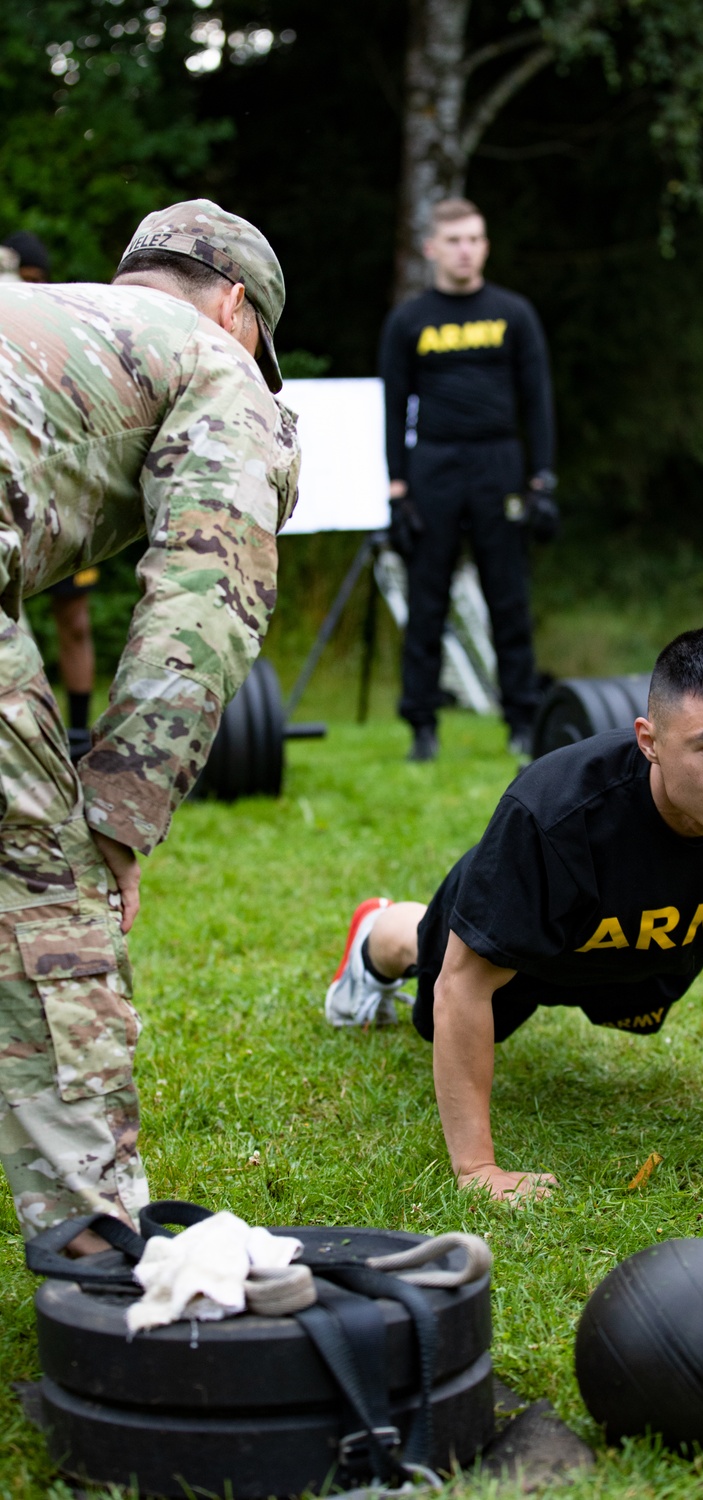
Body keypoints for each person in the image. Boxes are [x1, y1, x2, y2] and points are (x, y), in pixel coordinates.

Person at [324, 626, 703, 1199]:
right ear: (649, 741)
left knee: (634, 999)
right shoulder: (554, 816)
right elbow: (462, 986)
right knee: (430, 965)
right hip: (533, 946)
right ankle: (377, 928)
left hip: (648, 952)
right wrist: (477, 1170)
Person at [0, 200, 300, 1253]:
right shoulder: (220, 368)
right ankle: (97, 1248)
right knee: (44, 904)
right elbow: (203, 602)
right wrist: (120, 817)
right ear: (236, 309)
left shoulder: (50, 323)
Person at [378, 197, 557, 762]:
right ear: (432, 248)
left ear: (485, 245)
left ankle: (523, 721)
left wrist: (542, 479)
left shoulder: (513, 314)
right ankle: (422, 728)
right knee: (426, 602)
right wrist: (396, 489)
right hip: (432, 468)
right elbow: (392, 406)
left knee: (508, 598)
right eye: (454, 240)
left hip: (499, 463)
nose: (465, 250)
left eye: (475, 239)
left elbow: (538, 402)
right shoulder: (408, 321)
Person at [3, 228, 100, 757]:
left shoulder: (57, 333)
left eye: (36, 282)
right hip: (8, 494)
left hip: (59, 496)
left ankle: (80, 736)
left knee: (75, 618)